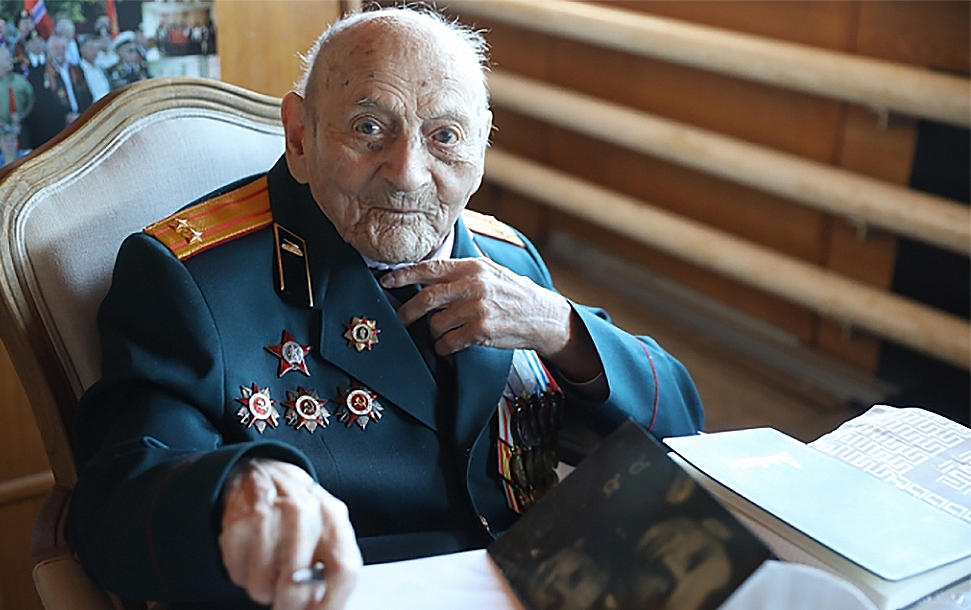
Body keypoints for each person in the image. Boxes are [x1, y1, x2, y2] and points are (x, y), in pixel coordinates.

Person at [67, 8, 704, 610]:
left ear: (483, 147)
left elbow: (681, 428)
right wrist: (234, 491)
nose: (408, 173)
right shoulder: (191, 280)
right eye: (370, 128)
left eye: (445, 136)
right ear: (300, 136)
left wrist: (561, 328)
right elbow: (114, 500)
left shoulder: (505, 259)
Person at [26, 35, 91, 147]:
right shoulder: (39, 73)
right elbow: (43, 101)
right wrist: (66, 115)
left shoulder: (76, 70)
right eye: (56, 48)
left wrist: (81, 115)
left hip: (81, 121)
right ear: (49, 50)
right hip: (56, 127)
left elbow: (87, 94)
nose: (60, 51)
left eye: (63, 47)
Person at [78, 35, 110, 101]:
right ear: (82, 49)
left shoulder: (101, 68)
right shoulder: (78, 70)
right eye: (91, 48)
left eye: (96, 49)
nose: (94, 52)